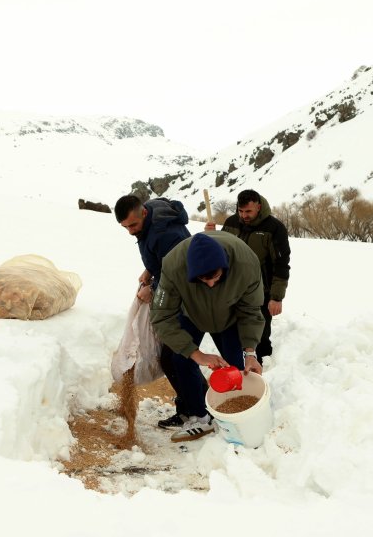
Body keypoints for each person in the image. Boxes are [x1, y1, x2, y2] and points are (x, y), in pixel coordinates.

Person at [150, 231, 264, 442]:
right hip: (191, 312)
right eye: (203, 279)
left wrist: (251, 351)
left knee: (236, 369)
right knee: (180, 359)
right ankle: (200, 417)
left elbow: (251, 311)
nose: (211, 284)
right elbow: (161, 317)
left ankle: (236, 417)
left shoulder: (246, 264)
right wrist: (195, 353)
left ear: (225, 266)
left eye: (216, 277)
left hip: (230, 316)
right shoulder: (174, 266)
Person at [114, 194, 199, 430]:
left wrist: (152, 288)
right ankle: (192, 407)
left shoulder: (165, 233)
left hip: (187, 297)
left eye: (133, 225)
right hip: (175, 293)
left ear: (143, 212)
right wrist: (149, 270)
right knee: (174, 358)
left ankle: (199, 412)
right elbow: (163, 261)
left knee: (177, 357)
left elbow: (178, 271)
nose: (130, 231)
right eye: (125, 227)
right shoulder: (152, 218)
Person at [205, 189, 290, 364]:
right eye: (241, 211)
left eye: (248, 211)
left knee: (260, 331)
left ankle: (264, 363)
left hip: (260, 290)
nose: (244, 216)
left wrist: (277, 297)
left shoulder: (274, 228)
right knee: (233, 329)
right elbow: (219, 250)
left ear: (258, 207)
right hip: (231, 287)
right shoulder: (231, 222)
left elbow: (281, 265)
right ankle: (237, 363)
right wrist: (210, 235)